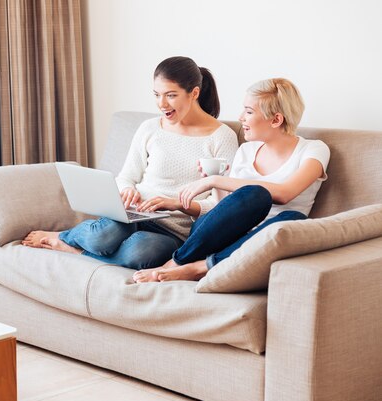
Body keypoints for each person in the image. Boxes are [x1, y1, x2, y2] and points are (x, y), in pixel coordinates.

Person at [21, 56, 239, 269]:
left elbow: (222, 205)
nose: (162, 104)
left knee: (140, 253)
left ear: (194, 93)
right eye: (157, 94)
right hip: (134, 213)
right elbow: (126, 177)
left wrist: (177, 203)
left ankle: (74, 249)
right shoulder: (150, 128)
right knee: (101, 237)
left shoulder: (221, 137)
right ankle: (65, 236)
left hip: (175, 229)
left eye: (171, 95)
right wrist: (127, 191)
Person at [132, 78, 331, 282]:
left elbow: (284, 193)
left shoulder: (314, 149)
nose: (241, 117)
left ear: (276, 120)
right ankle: (176, 263)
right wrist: (209, 183)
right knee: (254, 195)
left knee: (294, 219)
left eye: (249, 111)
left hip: (262, 241)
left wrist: (215, 181)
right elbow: (222, 208)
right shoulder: (246, 150)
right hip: (216, 237)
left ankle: (200, 267)